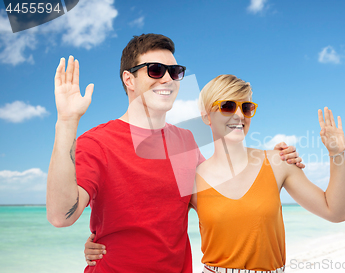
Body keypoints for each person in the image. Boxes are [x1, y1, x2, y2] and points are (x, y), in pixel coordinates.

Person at [46, 34, 302, 273]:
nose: (167, 79)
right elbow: (60, 216)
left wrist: (270, 160)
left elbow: (221, 195)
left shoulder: (187, 141)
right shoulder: (97, 142)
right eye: (156, 70)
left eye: (175, 72)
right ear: (129, 79)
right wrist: (67, 122)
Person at [84, 74, 345, 272]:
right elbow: (150, 226)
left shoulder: (278, 162)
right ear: (207, 116)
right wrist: (99, 243)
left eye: (246, 108)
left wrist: (336, 154)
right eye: (227, 106)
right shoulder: (191, 177)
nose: (239, 115)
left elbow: (334, 212)